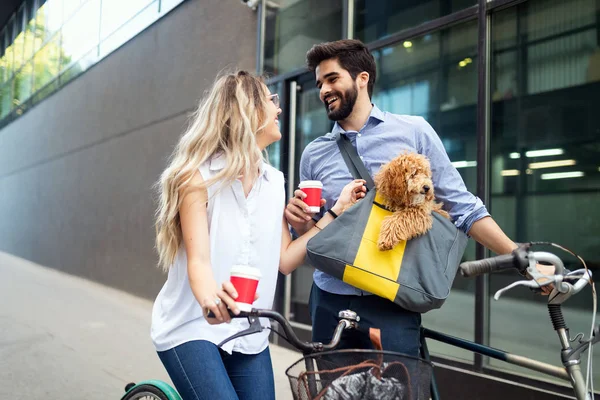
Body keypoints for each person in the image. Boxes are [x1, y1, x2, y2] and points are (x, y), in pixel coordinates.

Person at [284, 39, 550, 358]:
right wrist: (300, 225)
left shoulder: (413, 132)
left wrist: (520, 258)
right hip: (329, 299)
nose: (324, 90)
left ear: (362, 78)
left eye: (332, 78)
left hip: (392, 303)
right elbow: (314, 236)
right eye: (319, 84)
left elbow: (463, 207)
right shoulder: (315, 153)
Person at [150, 70, 365, 400]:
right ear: (247, 111)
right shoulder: (196, 178)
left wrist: (337, 212)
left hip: (250, 333)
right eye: (271, 100)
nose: (279, 109)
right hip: (193, 326)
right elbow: (199, 263)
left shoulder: (274, 181)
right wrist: (211, 303)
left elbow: (286, 260)